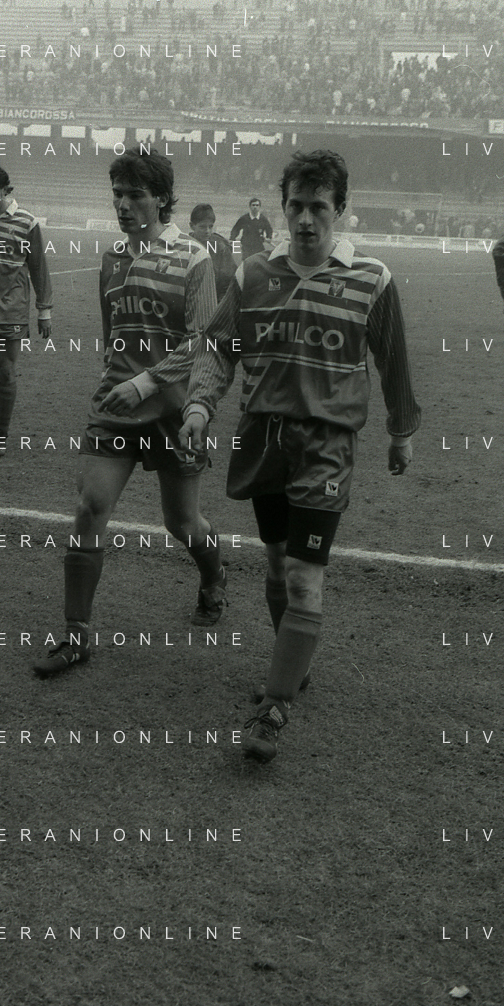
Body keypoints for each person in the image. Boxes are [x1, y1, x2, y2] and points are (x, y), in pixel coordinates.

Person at [179, 149, 421, 762]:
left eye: (319, 207)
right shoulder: (253, 275)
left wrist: (400, 431)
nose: (306, 219)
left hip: (326, 446)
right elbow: (218, 347)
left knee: (304, 576)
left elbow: (393, 359)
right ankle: (294, 662)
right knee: (275, 565)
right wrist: (200, 406)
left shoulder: (371, 279)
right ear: (283, 209)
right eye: (296, 206)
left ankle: (275, 706)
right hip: (263, 440)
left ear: (340, 209)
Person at [33, 146, 226, 677]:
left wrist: (146, 383)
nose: (122, 204)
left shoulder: (193, 258)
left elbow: (203, 341)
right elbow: (111, 332)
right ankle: (76, 635)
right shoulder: (112, 259)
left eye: (134, 195)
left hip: (172, 411)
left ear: (161, 199)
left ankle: (213, 577)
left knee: (181, 522)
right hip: (116, 406)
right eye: (117, 194)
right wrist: (118, 378)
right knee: (89, 507)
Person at [0, 164, 52, 457]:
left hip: (11, 313)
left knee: (6, 371)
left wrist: (44, 310)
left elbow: (38, 267)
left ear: (6, 191)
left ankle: (0, 435)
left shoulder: (27, 223)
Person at [189, 204, 237, 302]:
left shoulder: (220, 246)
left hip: (214, 299)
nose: (207, 231)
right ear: (192, 226)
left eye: (210, 226)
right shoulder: (185, 244)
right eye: (202, 227)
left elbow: (229, 280)